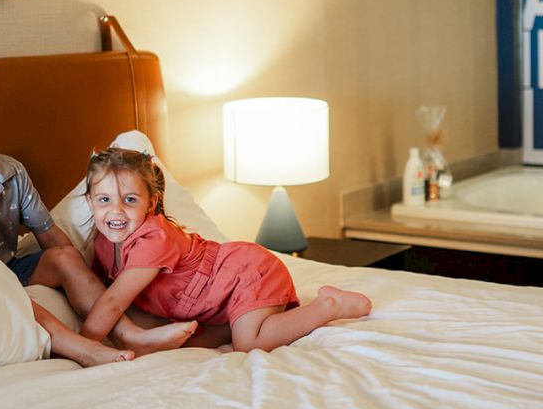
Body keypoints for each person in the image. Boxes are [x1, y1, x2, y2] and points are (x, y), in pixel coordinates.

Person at [0, 76, 198, 366]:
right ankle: (79, 349)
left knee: (64, 256)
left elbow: (49, 233)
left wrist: (90, 282)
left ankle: (128, 334)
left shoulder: (10, 171)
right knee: (5, 291)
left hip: (5, 263)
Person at [80, 147, 372, 353]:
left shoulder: (152, 238)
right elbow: (101, 293)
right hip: (214, 304)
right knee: (170, 342)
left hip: (245, 274)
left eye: (130, 199)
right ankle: (229, 325)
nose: (115, 210)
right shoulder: (104, 243)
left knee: (249, 344)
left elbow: (112, 302)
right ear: (89, 202)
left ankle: (328, 306)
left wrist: (84, 346)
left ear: (151, 202)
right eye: (104, 199)